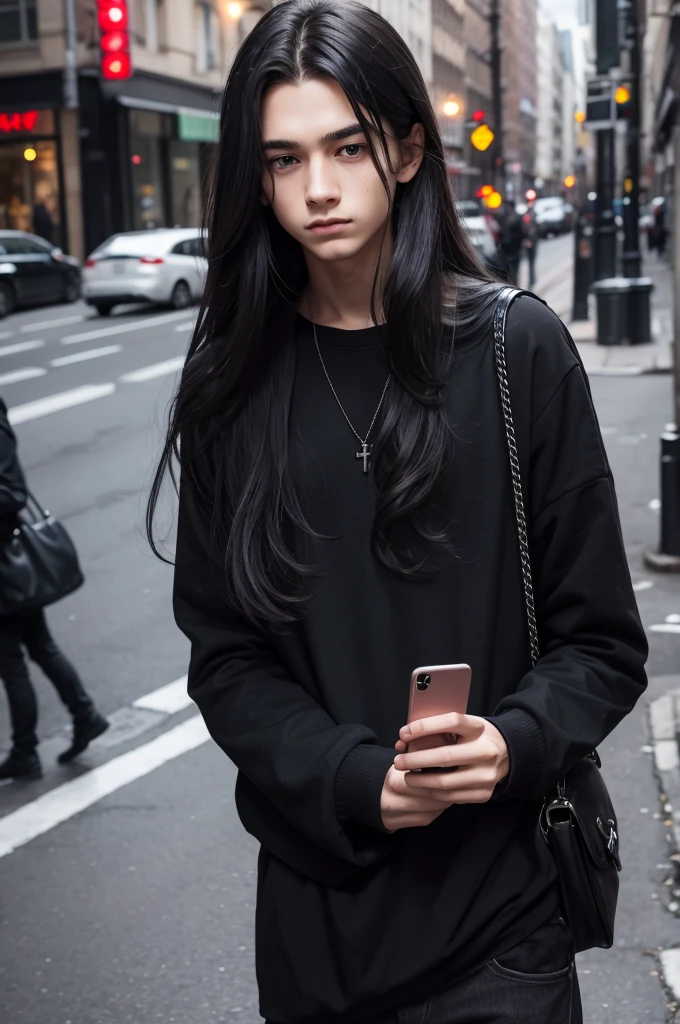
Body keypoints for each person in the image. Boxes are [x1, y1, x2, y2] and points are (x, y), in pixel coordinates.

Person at [148, 3, 648, 1022]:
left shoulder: (516, 353)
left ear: (409, 148)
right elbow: (226, 657)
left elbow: (599, 642)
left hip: (499, 926)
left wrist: (513, 740)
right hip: (315, 928)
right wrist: (347, 776)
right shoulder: (230, 386)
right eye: (283, 160)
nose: (317, 189)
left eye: (345, 146)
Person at [0, 397, 109, 780]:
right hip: (8, 563)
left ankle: (25, 752)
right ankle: (85, 715)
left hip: (5, 561)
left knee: (10, 660)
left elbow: (12, 491)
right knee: (38, 646)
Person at [498, 199, 524, 284]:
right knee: (514, 272)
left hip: (508, 249)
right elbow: (521, 232)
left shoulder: (504, 217)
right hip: (513, 249)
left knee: (509, 273)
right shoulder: (516, 217)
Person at [522, 199, 539, 288]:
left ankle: (532, 280)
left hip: (531, 241)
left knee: (531, 262)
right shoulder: (529, 216)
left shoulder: (530, 215)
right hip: (531, 241)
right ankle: (532, 280)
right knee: (531, 262)